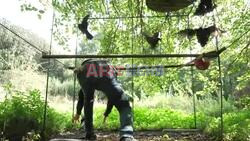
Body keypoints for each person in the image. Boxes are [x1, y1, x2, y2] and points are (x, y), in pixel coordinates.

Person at [74, 59, 134, 141]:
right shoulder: (111, 69)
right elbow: (113, 97)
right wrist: (107, 112)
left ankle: (90, 134)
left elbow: (82, 97)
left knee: (88, 101)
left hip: (84, 69)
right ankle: (126, 136)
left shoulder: (84, 68)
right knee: (124, 104)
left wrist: (77, 113)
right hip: (105, 68)